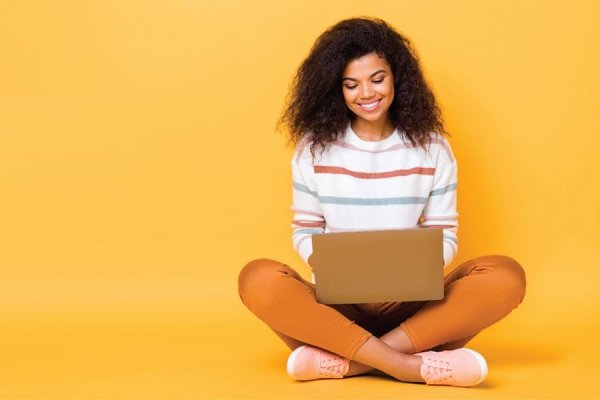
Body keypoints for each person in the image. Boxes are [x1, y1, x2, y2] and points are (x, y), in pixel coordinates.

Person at [238, 17, 526, 388]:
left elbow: (445, 232)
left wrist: (414, 270)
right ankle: (409, 366)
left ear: (397, 78)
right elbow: (306, 229)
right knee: (257, 279)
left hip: (415, 312)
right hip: (336, 311)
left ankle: (351, 361)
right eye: (351, 84)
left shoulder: (432, 147)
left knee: (505, 275)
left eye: (377, 78)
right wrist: (334, 268)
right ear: (335, 89)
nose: (366, 93)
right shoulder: (312, 149)